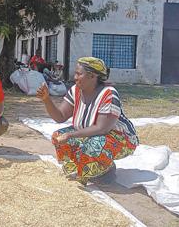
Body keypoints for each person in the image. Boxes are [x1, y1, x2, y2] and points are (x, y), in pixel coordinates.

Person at [37, 57, 138, 185]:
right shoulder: (76, 90)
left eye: (79, 74)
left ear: (92, 76)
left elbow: (102, 128)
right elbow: (60, 116)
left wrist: (70, 134)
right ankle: (82, 166)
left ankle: (106, 171)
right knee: (58, 136)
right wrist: (46, 99)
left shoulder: (109, 94)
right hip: (92, 134)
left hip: (120, 138)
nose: (75, 77)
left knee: (93, 145)